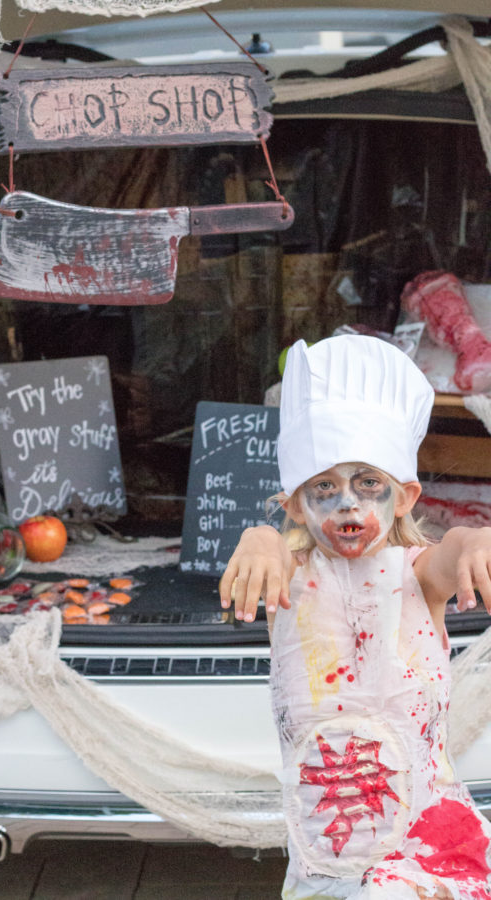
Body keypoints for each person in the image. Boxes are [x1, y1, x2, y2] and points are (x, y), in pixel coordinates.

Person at [219, 334, 491, 900]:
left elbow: (452, 550)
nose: (348, 503)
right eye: (324, 487)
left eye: (369, 484)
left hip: (430, 855)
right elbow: (271, 547)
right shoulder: (287, 580)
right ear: (295, 502)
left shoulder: (419, 576)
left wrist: (472, 541)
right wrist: (258, 536)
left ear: (406, 495)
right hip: (325, 860)